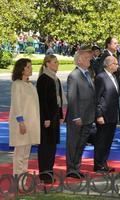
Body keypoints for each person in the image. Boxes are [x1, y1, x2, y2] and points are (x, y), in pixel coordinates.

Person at [66, 45, 96, 178]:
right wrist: (76, 116)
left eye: (89, 57)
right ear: (79, 61)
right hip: (77, 117)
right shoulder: (74, 76)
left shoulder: (87, 73)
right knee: (73, 144)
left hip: (88, 116)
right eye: (86, 58)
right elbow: (72, 98)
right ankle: (71, 169)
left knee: (81, 144)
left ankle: (76, 168)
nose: (90, 59)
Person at [36, 55, 65, 183]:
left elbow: (58, 99)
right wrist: (46, 118)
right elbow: (42, 101)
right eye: (55, 62)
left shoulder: (55, 78)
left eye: (57, 62)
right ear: (47, 64)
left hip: (54, 116)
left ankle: (50, 170)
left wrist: (60, 115)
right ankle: (44, 173)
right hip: (46, 117)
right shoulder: (43, 79)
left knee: (52, 145)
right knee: (45, 145)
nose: (57, 64)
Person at [9, 58, 40, 177]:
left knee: (26, 155)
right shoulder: (17, 84)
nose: (31, 68)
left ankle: (23, 181)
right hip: (21, 124)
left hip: (31, 124)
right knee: (19, 155)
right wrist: (21, 122)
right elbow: (17, 105)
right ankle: (18, 180)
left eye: (31, 66)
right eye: (28, 67)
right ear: (21, 70)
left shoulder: (30, 85)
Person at [94, 56, 120, 172]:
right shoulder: (101, 77)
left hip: (112, 114)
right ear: (109, 65)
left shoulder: (114, 76)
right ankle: (98, 164)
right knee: (101, 140)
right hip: (104, 115)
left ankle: (104, 162)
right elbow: (97, 98)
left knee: (108, 140)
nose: (117, 65)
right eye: (115, 64)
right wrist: (98, 115)